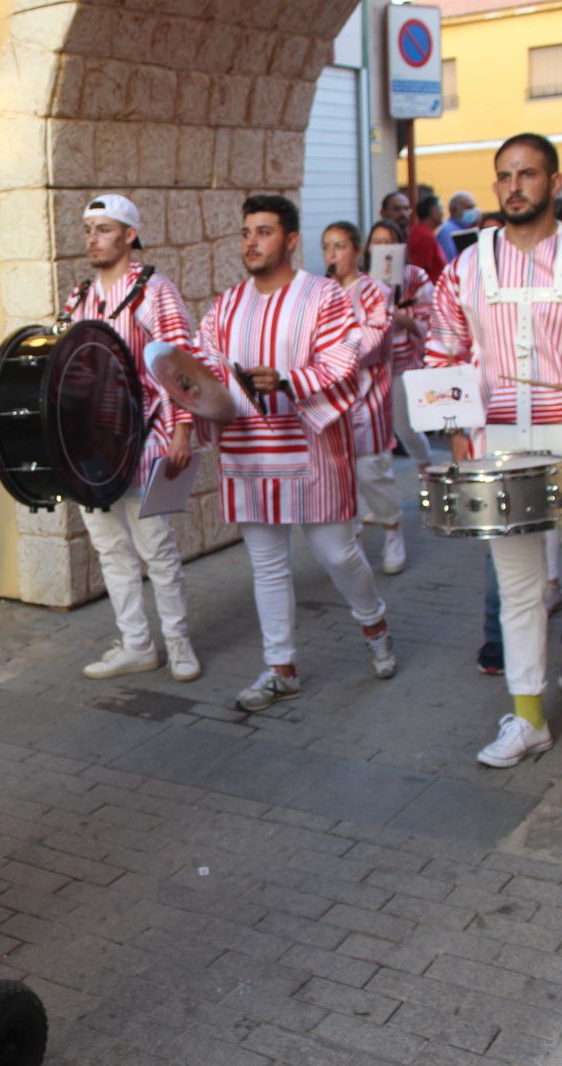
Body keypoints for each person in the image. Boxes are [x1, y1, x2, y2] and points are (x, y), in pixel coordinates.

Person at [427, 132, 562, 768]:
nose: (515, 185)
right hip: (500, 442)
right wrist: (450, 413)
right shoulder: (468, 265)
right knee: (520, 586)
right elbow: (443, 349)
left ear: (554, 184)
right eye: (505, 175)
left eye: (528, 174)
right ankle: (528, 719)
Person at [197, 194, 396, 712]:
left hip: (311, 450)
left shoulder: (324, 296)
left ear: (289, 240)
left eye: (263, 232)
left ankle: (373, 621)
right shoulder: (225, 304)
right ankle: (280, 668)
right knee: (267, 565)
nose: (251, 242)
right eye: (245, 233)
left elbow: (343, 363)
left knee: (337, 553)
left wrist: (285, 380)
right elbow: (202, 366)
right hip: (248, 453)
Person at [62, 194, 201, 682]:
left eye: (103, 229)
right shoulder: (78, 297)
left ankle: (179, 643)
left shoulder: (155, 291)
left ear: (129, 235)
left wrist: (182, 429)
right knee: (111, 550)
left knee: (157, 549)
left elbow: (181, 361)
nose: (92, 238)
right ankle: (137, 645)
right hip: (92, 448)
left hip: (145, 437)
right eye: (89, 229)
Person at [323, 221, 406, 575]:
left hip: (368, 395)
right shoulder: (318, 291)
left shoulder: (375, 292)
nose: (332, 254)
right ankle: (350, 539)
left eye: (340, 246)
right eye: (327, 246)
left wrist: (328, 351)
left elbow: (371, 344)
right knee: (337, 472)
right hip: (330, 397)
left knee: (371, 470)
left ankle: (392, 528)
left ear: (358, 251)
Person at [364, 219, 434, 468]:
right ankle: (382, 500)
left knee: (407, 429)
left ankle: (428, 475)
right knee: (371, 436)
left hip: (403, 366)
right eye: (377, 243)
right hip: (369, 368)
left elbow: (428, 324)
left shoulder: (415, 276)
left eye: (389, 242)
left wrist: (393, 313)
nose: (383, 249)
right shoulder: (360, 281)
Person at [408, 196, 448, 282]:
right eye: (441, 208)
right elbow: (419, 271)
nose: (443, 213)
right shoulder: (424, 236)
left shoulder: (423, 232)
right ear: (433, 211)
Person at [436, 192, 480, 262]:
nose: (474, 211)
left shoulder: (466, 228)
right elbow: (452, 260)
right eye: (469, 207)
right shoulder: (447, 231)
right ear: (454, 210)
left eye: (474, 207)